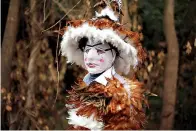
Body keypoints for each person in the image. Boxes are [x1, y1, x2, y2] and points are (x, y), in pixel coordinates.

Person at [59, 0, 147, 130]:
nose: (90, 57)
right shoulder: (86, 83)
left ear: (114, 56)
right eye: (87, 50)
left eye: (99, 51)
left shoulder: (121, 94)